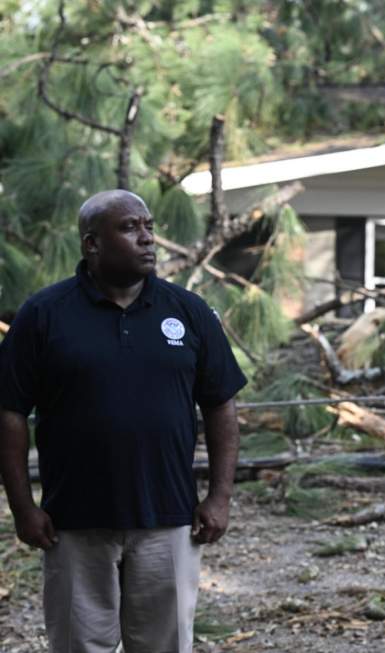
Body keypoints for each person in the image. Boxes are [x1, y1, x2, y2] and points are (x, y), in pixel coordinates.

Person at [0, 190, 247, 653]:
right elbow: (9, 412)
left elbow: (221, 406)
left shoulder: (187, 311)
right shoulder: (44, 314)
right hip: (72, 520)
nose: (147, 238)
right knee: (79, 645)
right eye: (130, 227)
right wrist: (22, 507)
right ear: (92, 244)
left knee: (164, 645)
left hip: (169, 519)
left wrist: (219, 495)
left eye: (149, 226)